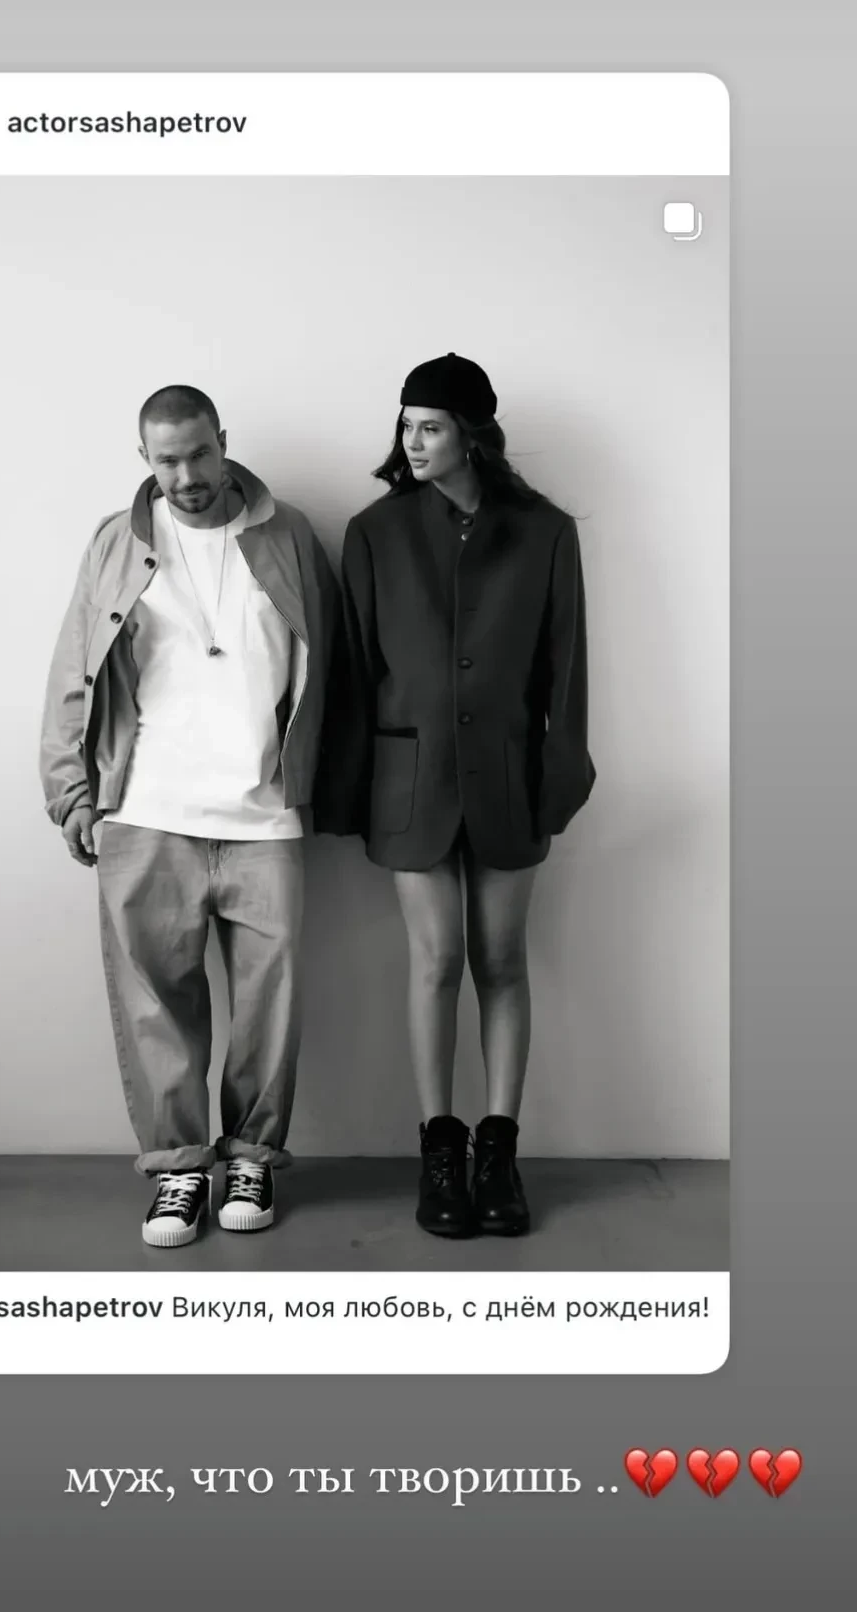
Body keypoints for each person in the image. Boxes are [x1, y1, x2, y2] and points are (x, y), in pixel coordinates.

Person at [40, 386, 339, 1247]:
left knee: (270, 1004)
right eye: (166, 460)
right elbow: (73, 672)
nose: (186, 475)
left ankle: (251, 1157)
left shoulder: (287, 534)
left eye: (199, 453)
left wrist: (331, 787)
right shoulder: (116, 542)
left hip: (265, 812)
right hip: (146, 809)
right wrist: (71, 791)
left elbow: (334, 668)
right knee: (154, 1005)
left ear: (223, 442)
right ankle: (178, 1170)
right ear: (146, 460)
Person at [314, 353, 596, 1239]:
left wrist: (560, 775)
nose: (413, 442)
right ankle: (440, 1151)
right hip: (411, 783)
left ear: (473, 434)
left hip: (511, 777)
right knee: (435, 960)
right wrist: (348, 791)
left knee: (501, 960)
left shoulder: (545, 532)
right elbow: (356, 671)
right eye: (406, 426)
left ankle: (498, 1153)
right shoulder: (375, 531)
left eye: (430, 427)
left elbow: (567, 670)